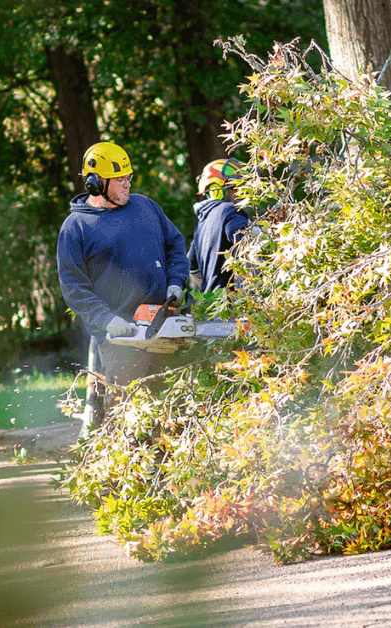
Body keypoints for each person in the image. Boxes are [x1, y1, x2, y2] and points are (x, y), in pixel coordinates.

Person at [56, 141, 190, 430]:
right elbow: (74, 287)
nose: (127, 184)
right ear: (95, 183)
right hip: (122, 338)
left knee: (176, 415)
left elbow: (175, 245)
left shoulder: (145, 206)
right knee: (131, 419)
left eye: (128, 177)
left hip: (165, 325)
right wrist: (107, 320)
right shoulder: (76, 227)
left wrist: (176, 282)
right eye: (120, 180)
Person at [187, 157, 251, 293]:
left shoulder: (202, 221)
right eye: (234, 188)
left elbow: (192, 267)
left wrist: (213, 291)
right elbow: (249, 249)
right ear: (216, 189)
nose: (239, 193)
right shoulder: (231, 212)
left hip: (213, 307)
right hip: (235, 308)